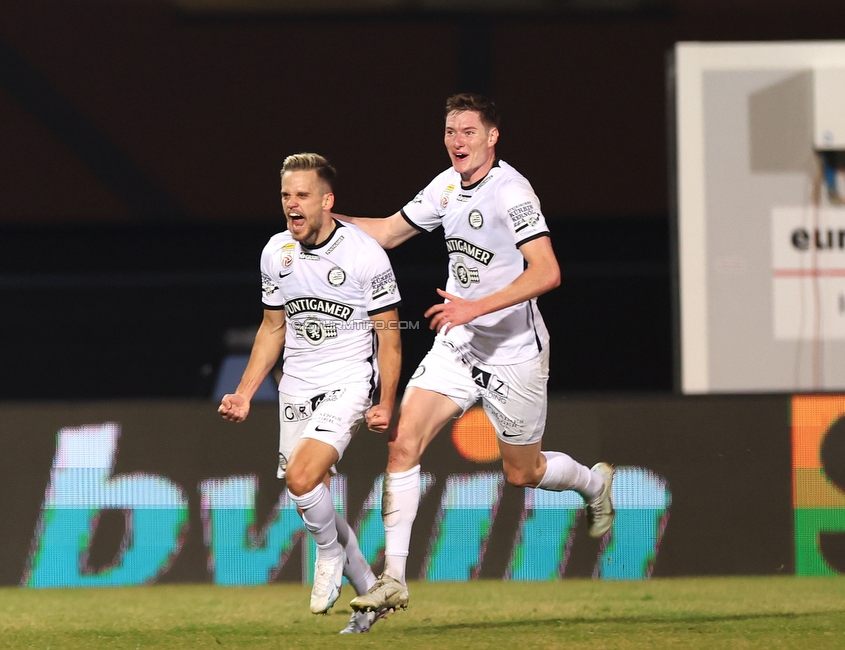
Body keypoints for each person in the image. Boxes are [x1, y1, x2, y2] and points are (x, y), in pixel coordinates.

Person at [339, 93, 615, 615]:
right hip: (459, 343)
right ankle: (393, 578)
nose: (457, 141)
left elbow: (547, 272)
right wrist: (327, 223)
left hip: (514, 353)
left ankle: (593, 482)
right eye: (450, 131)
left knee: (523, 474)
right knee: (402, 442)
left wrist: (475, 308)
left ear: (492, 137)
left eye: (468, 131)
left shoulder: (512, 192)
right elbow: (389, 232)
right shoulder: (446, 186)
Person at [218, 153, 402, 634]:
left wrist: (385, 399)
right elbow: (272, 328)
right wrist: (243, 392)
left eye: (302, 195)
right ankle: (369, 594)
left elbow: (390, 336)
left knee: (301, 480)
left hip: (347, 382)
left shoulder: (364, 254)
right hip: (297, 386)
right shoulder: (275, 253)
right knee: (309, 490)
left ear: (327, 201)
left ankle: (327, 555)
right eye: (285, 195)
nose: (292, 205)